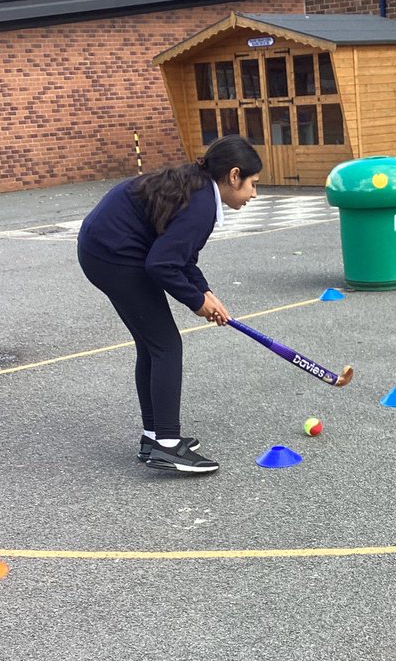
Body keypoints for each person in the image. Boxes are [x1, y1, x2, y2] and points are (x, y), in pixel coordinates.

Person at [77, 135, 262, 474]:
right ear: (234, 176)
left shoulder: (199, 189)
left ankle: (154, 436)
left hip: (103, 248)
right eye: (253, 184)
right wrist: (196, 302)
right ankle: (167, 445)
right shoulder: (202, 205)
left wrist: (205, 291)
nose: (254, 194)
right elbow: (161, 264)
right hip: (114, 256)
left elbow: (182, 256)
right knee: (166, 346)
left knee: (152, 345)